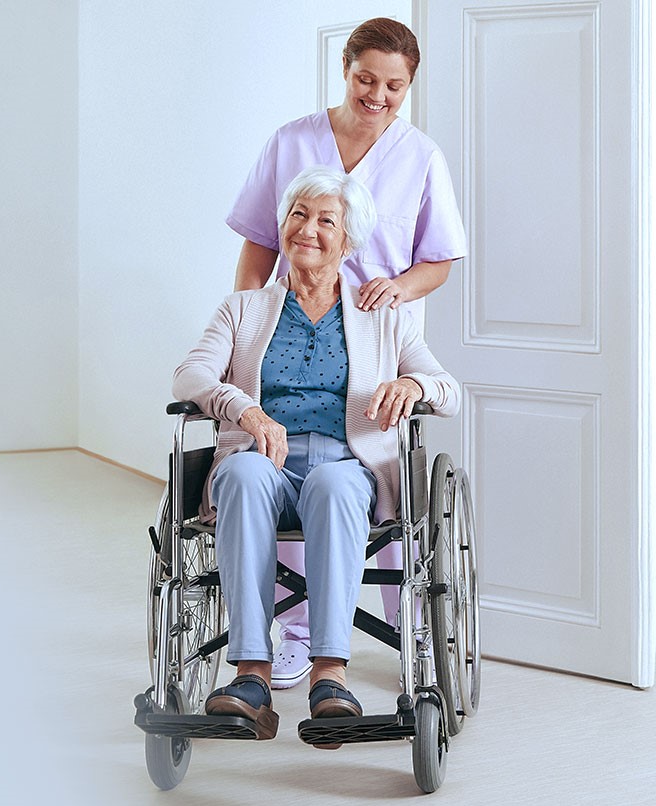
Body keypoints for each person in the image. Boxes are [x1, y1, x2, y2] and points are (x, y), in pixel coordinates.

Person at [173, 166, 458, 739]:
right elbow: (189, 375)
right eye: (297, 215)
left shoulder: (383, 316)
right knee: (243, 474)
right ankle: (251, 675)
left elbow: (449, 390)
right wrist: (243, 409)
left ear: (349, 240)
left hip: (344, 464)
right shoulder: (243, 309)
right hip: (263, 459)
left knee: (332, 482)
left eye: (326, 220)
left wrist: (413, 385)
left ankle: (330, 673)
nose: (307, 229)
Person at [226, 17, 467, 689]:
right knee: (288, 460)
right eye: (367, 80)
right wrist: (245, 328)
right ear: (345, 69)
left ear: (408, 86)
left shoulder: (420, 156)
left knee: (367, 475)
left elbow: (439, 259)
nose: (379, 96)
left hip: (378, 344)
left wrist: (400, 285)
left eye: (395, 86)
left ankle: (410, 624)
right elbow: (256, 249)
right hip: (293, 329)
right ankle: (298, 633)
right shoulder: (293, 141)